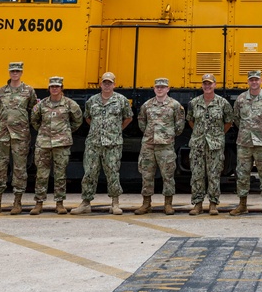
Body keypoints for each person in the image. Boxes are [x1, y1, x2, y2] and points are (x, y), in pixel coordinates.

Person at [71, 72, 133, 215]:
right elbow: (87, 117)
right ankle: (86, 203)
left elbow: (128, 118)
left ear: (114, 85)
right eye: (104, 82)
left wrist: (117, 130)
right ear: (100, 84)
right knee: (89, 173)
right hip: (94, 143)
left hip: (112, 143)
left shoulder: (121, 100)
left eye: (109, 83)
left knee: (113, 172)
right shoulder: (92, 101)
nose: (107, 85)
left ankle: (115, 203)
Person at [0, 61, 38, 215]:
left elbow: (32, 110)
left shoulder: (29, 91)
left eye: (17, 71)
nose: (15, 73)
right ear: (9, 73)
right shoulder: (1, 92)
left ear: (21, 72)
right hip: (2, 135)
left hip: (20, 135)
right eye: (12, 71)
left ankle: (17, 202)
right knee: (0, 168)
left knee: (19, 168)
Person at [29, 76, 83, 215]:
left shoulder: (69, 104)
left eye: (57, 86)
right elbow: (34, 120)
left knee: (60, 175)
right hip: (44, 143)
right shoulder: (41, 105)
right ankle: (39, 203)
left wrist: (66, 131)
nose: (54, 89)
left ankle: (59, 203)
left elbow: (77, 120)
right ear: (49, 88)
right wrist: (43, 132)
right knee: (41, 175)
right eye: (52, 86)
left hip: (62, 144)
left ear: (61, 88)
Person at [229, 70, 262, 217]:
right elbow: (236, 118)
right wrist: (247, 130)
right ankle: (242, 204)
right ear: (248, 81)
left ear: (261, 80)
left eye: (256, 79)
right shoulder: (241, 99)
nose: (254, 82)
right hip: (245, 142)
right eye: (251, 80)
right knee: (242, 174)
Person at [134, 77, 186, 215]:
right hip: (148, 145)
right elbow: (141, 122)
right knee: (146, 175)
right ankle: (146, 204)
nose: (160, 89)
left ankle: (168, 204)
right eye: (158, 87)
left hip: (166, 146)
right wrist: (150, 134)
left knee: (168, 175)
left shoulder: (175, 105)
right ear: (154, 88)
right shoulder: (147, 105)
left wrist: (168, 136)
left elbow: (180, 125)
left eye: (163, 87)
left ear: (168, 89)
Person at [187, 73, 233, 216]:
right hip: (198, 144)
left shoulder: (222, 103)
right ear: (202, 85)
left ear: (215, 85)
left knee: (214, 174)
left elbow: (228, 122)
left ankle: (213, 204)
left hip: (215, 145)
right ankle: (198, 204)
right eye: (205, 84)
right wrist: (200, 134)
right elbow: (190, 120)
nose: (207, 86)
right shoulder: (194, 103)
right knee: (197, 175)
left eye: (210, 83)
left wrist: (217, 135)